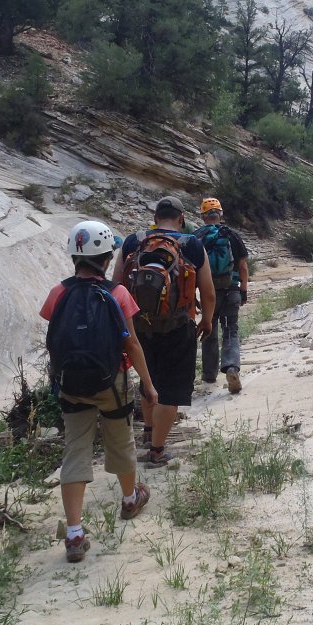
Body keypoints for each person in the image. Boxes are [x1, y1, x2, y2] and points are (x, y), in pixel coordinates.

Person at [40, 220, 158, 563]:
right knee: (120, 440)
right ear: (107, 258)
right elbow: (132, 345)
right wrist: (148, 386)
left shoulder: (58, 293)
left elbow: (55, 338)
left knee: (75, 449)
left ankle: (75, 533)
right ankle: (129, 499)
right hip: (113, 383)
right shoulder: (118, 294)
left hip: (72, 386)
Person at [114, 196, 215, 467]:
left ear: (155, 216)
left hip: (140, 327)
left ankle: (148, 432)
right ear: (181, 218)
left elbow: (116, 286)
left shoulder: (133, 241)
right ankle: (157, 450)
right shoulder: (191, 244)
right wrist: (206, 320)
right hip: (179, 326)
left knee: (151, 381)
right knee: (171, 391)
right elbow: (207, 291)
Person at [195, 197, 250, 394]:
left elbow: (189, 268)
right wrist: (243, 289)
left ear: (203, 216)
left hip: (208, 292)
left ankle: (209, 376)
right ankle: (232, 368)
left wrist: (192, 296)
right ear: (221, 214)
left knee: (208, 331)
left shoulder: (197, 237)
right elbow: (243, 265)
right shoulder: (232, 235)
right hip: (232, 288)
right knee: (231, 330)